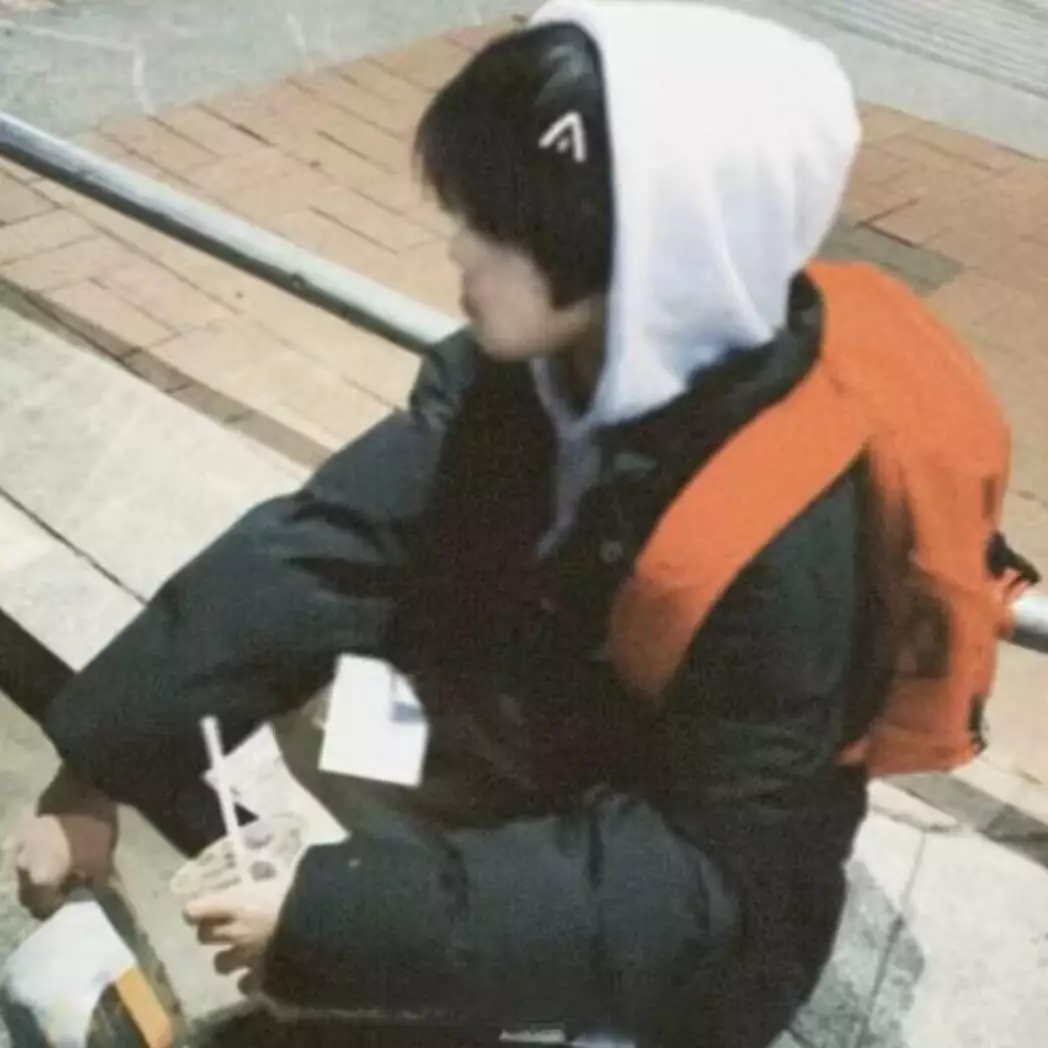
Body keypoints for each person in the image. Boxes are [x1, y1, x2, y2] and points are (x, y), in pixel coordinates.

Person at [14, 2, 879, 1045]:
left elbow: (703, 877)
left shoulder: (787, 528)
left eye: (509, 227)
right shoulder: (535, 364)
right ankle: (439, 958)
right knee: (336, 709)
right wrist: (98, 764)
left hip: (698, 917)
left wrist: (338, 925)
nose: (461, 243)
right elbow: (330, 551)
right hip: (549, 732)